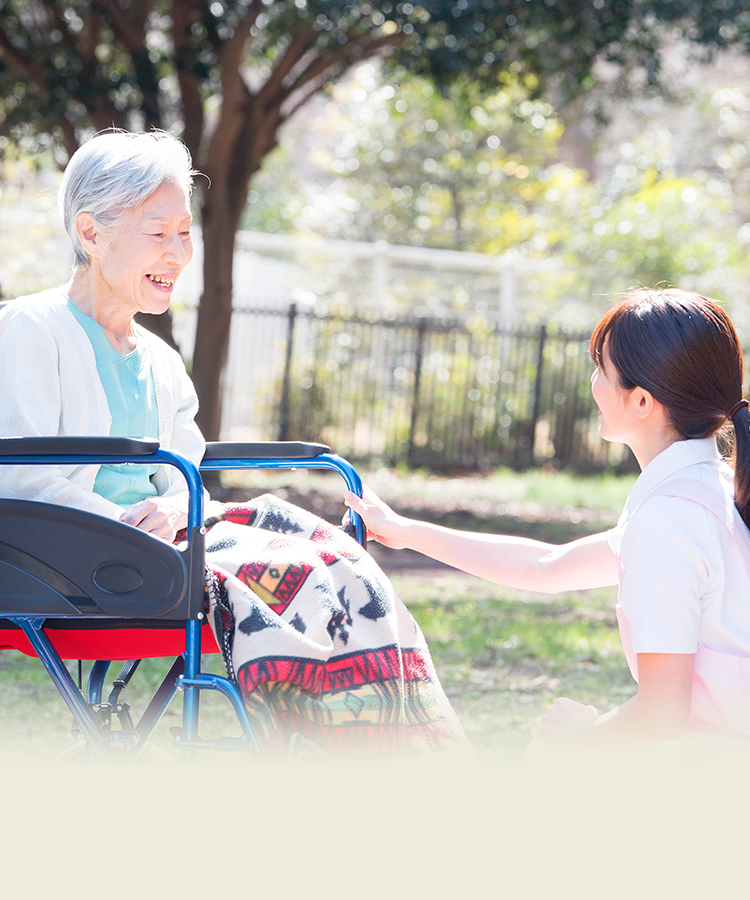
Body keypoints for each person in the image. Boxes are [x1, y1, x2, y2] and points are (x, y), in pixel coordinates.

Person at [0, 129, 470, 759]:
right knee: (289, 571)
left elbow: (184, 465)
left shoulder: (161, 361)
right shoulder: (31, 330)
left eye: (184, 233)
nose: (177, 253)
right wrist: (131, 524)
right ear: (90, 233)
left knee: (335, 564)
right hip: (72, 567)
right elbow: (19, 477)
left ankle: (384, 752)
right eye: (157, 233)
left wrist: (170, 510)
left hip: (161, 550)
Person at [346, 288, 750, 753]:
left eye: (602, 369)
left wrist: (577, 742)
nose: (593, 383)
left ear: (642, 402)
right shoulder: (704, 492)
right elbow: (548, 565)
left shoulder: (670, 521)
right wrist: (404, 530)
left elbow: (661, 716)